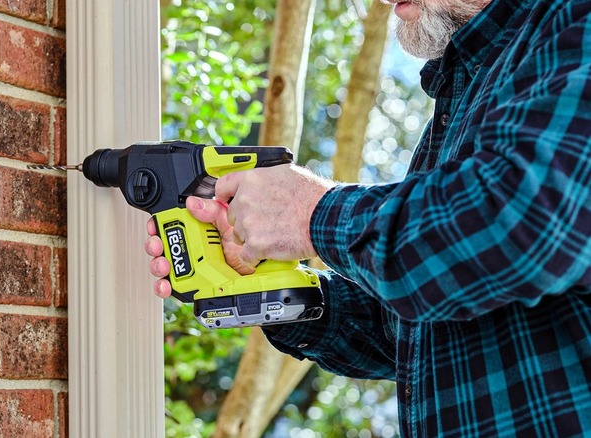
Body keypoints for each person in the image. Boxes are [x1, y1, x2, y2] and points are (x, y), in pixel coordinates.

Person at [146, 0, 591, 435]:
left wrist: (309, 212)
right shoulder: (460, 97)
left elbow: (515, 222)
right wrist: (266, 278)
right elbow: (408, 332)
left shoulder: (575, 20)